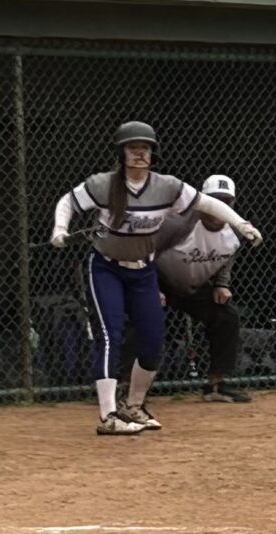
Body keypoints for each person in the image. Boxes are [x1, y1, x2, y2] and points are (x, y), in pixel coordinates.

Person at [50, 121, 262, 435]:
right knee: (110, 335)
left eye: (145, 148)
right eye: (132, 148)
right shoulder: (104, 184)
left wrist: (241, 224)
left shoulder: (167, 186)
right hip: (106, 267)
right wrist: (60, 228)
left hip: (143, 270)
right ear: (121, 153)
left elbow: (208, 202)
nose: (139, 153)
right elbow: (69, 201)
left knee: (152, 341)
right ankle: (109, 416)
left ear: (153, 154)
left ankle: (134, 406)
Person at [153, 174, 252, 403]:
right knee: (140, 315)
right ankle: (127, 385)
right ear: (201, 203)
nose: (220, 207)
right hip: (160, 281)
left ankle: (216, 385)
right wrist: (150, 288)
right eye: (214, 201)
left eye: (226, 202)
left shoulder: (236, 229)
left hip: (194, 286)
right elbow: (146, 253)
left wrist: (221, 284)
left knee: (226, 317)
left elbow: (227, 256)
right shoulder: (178, 224)